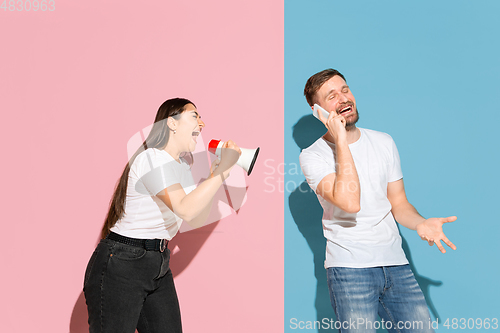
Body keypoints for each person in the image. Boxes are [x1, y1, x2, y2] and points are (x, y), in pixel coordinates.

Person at [299, 69, 456, 333]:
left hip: (396, 264)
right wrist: (340, 141)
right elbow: (350, 202)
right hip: (350, 269)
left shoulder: (384, 142)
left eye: (345, 90)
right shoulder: (312, 156)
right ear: (318, 111)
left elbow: (399, 204)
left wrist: (420, 223)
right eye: (332, 96)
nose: (343, 98)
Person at [83, 98, 241, 333]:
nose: (202, 123)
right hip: (123, 263)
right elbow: (185, 208)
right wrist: (218, 174)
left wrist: (219, 173)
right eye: (194, 116)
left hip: (157, 263)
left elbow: (193, 217)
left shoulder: (182, 166)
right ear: (172, 123)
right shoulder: (151, 158)